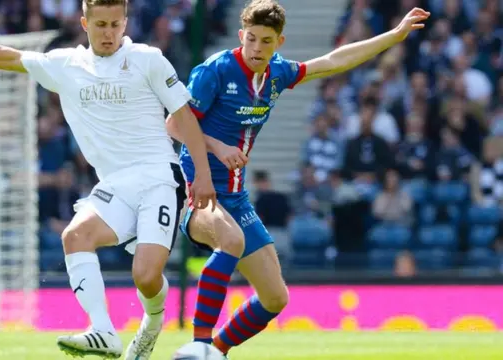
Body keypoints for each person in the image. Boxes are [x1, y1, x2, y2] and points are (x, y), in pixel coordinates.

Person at [0, 0, 217, 359]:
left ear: (126, 22)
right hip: (115, 184)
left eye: (116, 24)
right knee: (75, 236)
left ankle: (151, 323)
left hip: (159, 177)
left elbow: (184, 116)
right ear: (84, 23)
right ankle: (103, 330)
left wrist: (203, 175)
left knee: (146, 277)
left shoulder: (148, 59)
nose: (109, 33)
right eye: (100, 24)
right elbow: (7, 56)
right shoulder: (66, 65)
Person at [166, 0, 429, 356]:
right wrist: (217, 147)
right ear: (241, 35)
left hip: (236, 196)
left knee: (275, 297)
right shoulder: (214, 71)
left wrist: (394, 35)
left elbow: (334, 60)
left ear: (280, 42)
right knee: (231, 241)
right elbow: (174, 124)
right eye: (252, 39)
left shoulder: (278, 73)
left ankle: (216, 351)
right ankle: (197, 345)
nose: (257, 48)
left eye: (266, 41)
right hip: (202, 193)